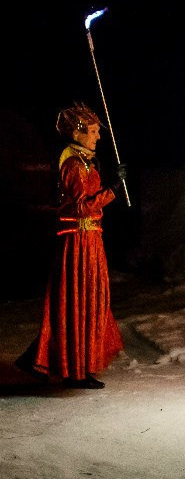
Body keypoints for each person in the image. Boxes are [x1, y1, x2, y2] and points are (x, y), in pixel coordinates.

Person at [16, 104, 126, 388]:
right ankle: (74, 370)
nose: (97, 137)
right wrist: (112, 191)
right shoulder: (73, 164)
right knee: (78, 303)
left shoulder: (85, 160)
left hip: (90, 241)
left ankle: (76, 364)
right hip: (78, 243)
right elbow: (81, 208)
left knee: (90, 302)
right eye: (91, 132)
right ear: (77, 133)